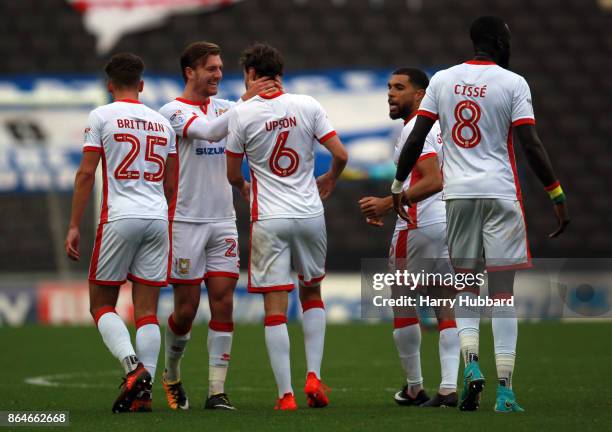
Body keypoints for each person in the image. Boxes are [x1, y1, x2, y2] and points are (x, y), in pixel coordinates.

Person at [391, 16, 570, 413]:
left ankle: (471, 366)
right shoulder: (513, 82)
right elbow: (531, 143)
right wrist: (555, 193)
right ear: (496, 41)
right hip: (501, 195)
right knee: (503, 296)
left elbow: (418, 137)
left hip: (458, 198)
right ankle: (505, 391)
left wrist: (396, 186)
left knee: (467, 288)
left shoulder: (442, 79)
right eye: (507, 37)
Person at [225, 43, 348, 410]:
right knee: (312, 294)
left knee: (275, 308)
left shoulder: (241, 113)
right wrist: (330, 179)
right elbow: (341, 154)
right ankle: (314, 376)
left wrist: (245, 187)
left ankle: (286, 395)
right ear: (280, 72)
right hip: (311, 214)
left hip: (271, 218)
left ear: (250, 74)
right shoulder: (308, 105)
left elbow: (232, 173)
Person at [158, 41, 278, 410]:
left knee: (224, 304)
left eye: (221, 67)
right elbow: (210, 132)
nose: (218, 74)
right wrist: (247, 100)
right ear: (190, 72)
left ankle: (216, 390)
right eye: (211, 68)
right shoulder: (171, 112)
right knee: (187, 310)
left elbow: (256, 125)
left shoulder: (228, 106)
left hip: (222, 221)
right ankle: (171, 374)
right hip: (185, 222)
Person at [65, 53, 177, 413]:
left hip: (120, 216)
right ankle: (143, 398)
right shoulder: (163, 124)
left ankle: (133, 369)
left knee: (101, 304)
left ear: (110, 85)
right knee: (146, 312)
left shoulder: (101, 116)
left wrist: (73, 226)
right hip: (157, 218)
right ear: (142, 85)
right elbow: (172, 186)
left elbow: (86, 174)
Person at [359, 68, 460, 408]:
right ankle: (448, 387)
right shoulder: (440, 128)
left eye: (399, 88)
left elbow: (433, 179)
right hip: (447, 224)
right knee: (444, 304)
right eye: (388, 87)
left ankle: (415, 387)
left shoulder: (418, 129)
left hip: (418, 226)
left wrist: (389, 203)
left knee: (402, 301)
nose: (391, 93)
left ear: (420, 96)